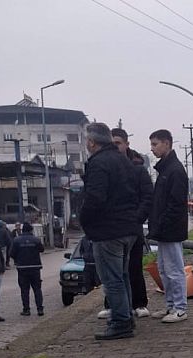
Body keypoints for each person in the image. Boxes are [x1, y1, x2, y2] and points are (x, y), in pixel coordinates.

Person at [79, 123, 139, 340]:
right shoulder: (123, 160)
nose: (86, 143)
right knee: (122, 277)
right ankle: (126, 317)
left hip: (108, 231)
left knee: (112, 280)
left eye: (86, 140)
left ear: (92, 142)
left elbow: (95, 198)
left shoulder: (98, 163)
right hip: (128, 228)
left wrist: (82, 219)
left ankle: (121, 322)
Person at [96, 128, 153, 320]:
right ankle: (113, 305)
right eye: (112, 143)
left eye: (118, 143)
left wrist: (137, 218)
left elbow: (147, 197)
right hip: (111, 227)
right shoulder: (105, 165)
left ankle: (139, 303)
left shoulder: (137, 168)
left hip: (132, 226)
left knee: (133, 266)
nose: (115, 146)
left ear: (127, 144)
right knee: (112, 270)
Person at [147, 129, 189, 323]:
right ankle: (171, 305)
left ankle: (180, 308)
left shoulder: (175, 171)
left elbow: (175, 204)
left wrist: (162, 223)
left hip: (170, 230)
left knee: (174, 270)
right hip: (164, 229)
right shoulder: (166, 169)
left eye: (155, 144)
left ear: (166, 143)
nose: (152, 148)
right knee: (164, 269)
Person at [9, 223, 44, 316]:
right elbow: (42, 249)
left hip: (22, 268)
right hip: (35, 268)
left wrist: (18, 259)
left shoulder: (16, 240)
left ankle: (26, 309)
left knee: (24, 290)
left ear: (22, 230)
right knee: (37, 289)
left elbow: (12, 253)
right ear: (31, 230)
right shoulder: (36, 240)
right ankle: (40, 309)